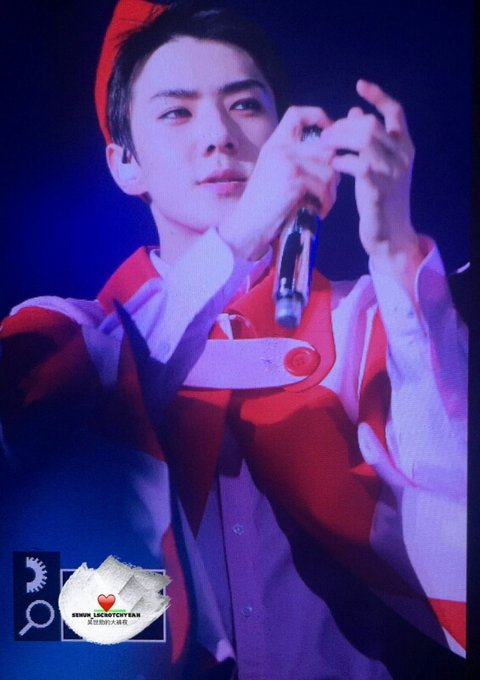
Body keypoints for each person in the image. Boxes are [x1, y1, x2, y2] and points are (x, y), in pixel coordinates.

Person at [0, 1, 467, 678]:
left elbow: (455, 511)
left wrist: (396, 252)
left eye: (245, 106)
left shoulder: (369, 317)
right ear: (125, 163)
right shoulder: (65, 336)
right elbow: (59, 470)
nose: (219, 136)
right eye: (176, 112)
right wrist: (240, 235)